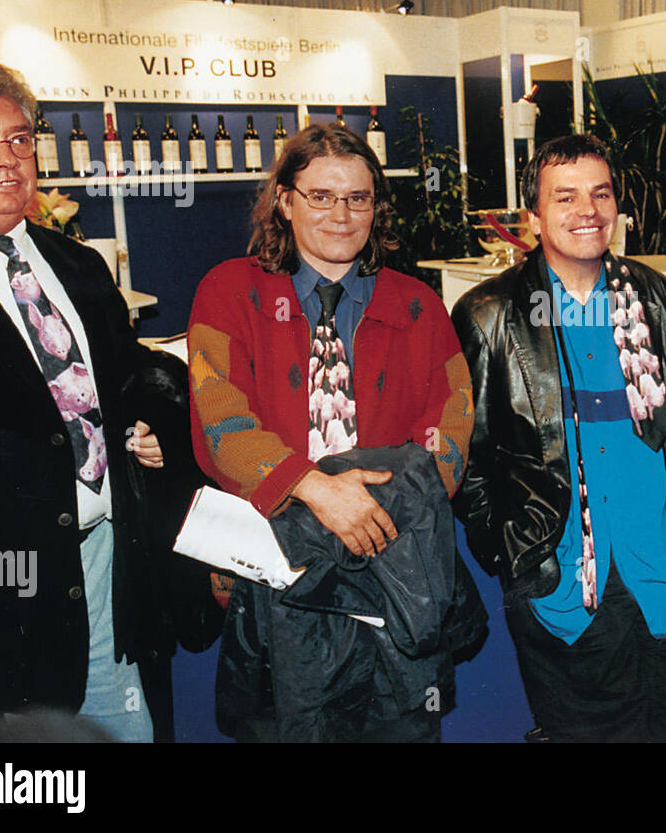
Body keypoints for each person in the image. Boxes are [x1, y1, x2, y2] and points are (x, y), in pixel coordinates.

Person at [0, 53, 201, 741]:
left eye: (20, 138)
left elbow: (132, 375)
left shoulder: (77, 264)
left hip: (110, 572)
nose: (7, 159)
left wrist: (149, 421)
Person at [186, 123, 476, 742]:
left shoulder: (418, 303)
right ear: (285, 200)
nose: (341, 215)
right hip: (276, 586)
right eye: (321, 195)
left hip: (395, 573)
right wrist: (316, 491)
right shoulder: (228, 292)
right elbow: (222, 424)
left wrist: (375, 520)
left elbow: (450, 433)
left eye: (358, 198)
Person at [452, 134, 666, 742]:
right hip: (564, 581)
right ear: (534, 217)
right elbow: (468, 460)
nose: (587, 210)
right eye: (565, 197)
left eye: (600, 193)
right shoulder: (490, 314)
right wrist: (514, 555)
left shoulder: (654, 294)